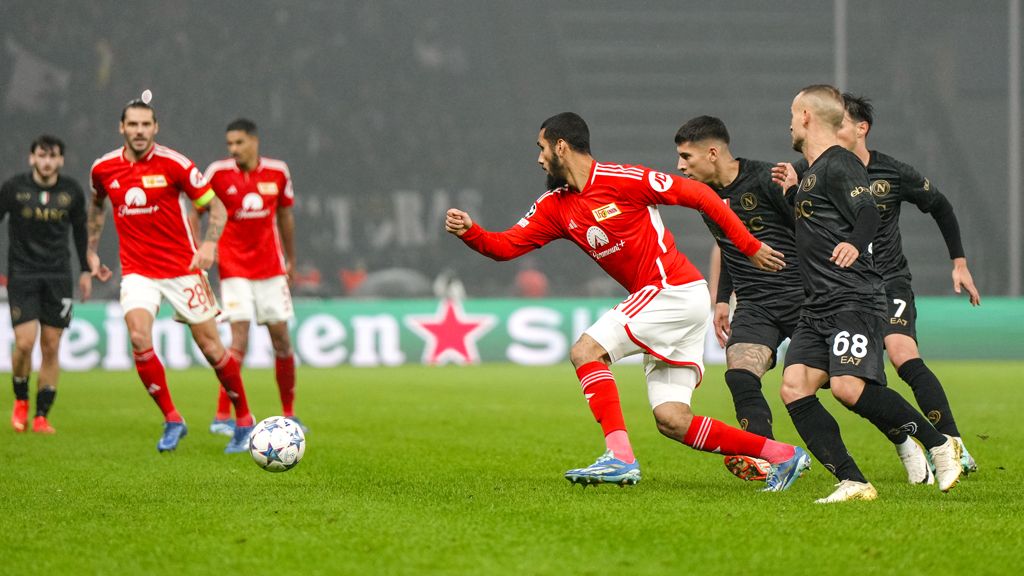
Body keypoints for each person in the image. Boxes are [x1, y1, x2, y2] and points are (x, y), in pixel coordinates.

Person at [445, 112, 810, 491]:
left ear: (561, 146)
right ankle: (782, 454)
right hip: (672, 302)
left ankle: (619, 457)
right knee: (672, 420)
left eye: (541, 148)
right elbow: (505, 247)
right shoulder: (555, 207)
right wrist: (471, 232)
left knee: (586, 351)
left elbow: (701, 195)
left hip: (672, 289)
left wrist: (750, 247)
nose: (539, 158)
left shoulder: (624, 179)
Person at [774, 94, 981, 480]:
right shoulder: (811, 169)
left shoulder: (882, 169)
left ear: (858, 128)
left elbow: (934, 206)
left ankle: (948, 441)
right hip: (826, 293)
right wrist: (791, 193)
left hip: (880, 283)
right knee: (818, 386)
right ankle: (886, 456)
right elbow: (809, 228)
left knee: (895, 359)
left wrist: (959, 262)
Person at [87, 98, 256, 453]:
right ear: (122, 128)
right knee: (138, 337)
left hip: (183, 268)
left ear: (155, 127)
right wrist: (91, 248)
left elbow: (217, 207)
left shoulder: (174, 164)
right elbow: (97, 205)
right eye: (132, 124)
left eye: (145, 124)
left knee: (212, 349)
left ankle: (243, 418)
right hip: (137, 271)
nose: (139, 131)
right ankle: (172, 419)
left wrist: (209, 245)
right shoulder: (103, 169)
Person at [674, 117, 806, 482]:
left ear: (712, 153)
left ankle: (908, 438)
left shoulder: (767, 180)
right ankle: (768, 455)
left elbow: (808, 233)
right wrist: (721, 299)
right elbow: (729, 247)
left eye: (686, 157)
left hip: (802, 298)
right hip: (754, 304)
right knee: (739, 373)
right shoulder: (703, 197)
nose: (680, 166)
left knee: (839, 385)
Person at [202, 118, 302, 435]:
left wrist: (291, 258)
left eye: (239, 142)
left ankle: (289, 413)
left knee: (282, 342)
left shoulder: (278, 171)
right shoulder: (217, 173)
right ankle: (222, 415)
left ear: (254, 141)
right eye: (229, 143)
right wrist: (201, 244)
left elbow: (285, 215)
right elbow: (195, 207)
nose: (233, 149)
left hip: (271, 268)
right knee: (238, 340)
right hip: (233, 268)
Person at [1, 135, 91, 434]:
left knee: (51, 347)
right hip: (23, 273)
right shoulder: (14, 189)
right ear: (32, 158)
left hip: (58, 276)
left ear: (61, 160)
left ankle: (41, 416)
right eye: (42, 155)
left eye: (53, 156)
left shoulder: (72, 192)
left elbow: (80, 233)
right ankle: (21, 401)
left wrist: (86, 271)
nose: (47, 161)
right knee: (25, 344)